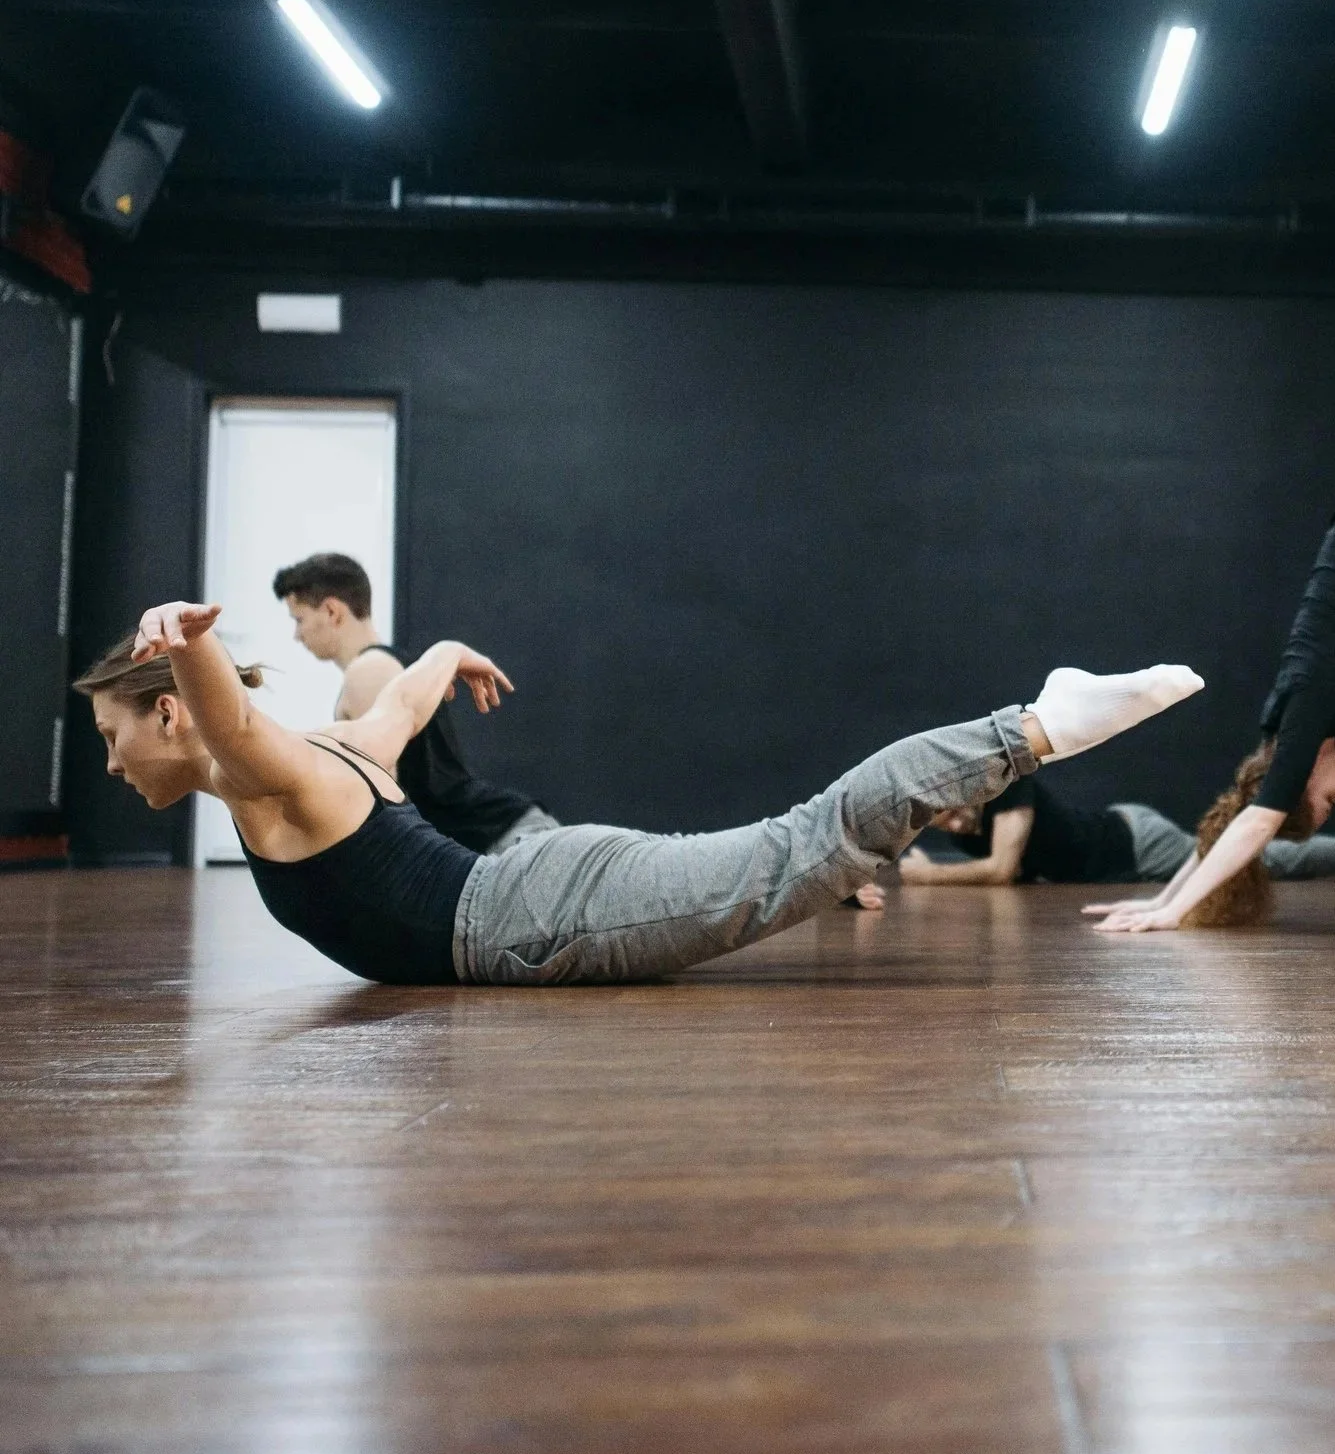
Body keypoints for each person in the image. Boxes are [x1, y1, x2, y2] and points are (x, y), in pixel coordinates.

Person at [75, 605, 1202, 987]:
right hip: (533, 887)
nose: (114, 764)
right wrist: (449, 649)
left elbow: (226, 720)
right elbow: (403, 706)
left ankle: (1036, 725)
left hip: (527, 921)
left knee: (799, 848)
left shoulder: (261, 773)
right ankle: (1033, 723)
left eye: (114, 734)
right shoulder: (332, 750)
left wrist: (185, 643)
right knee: (791, 855)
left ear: (164, 709)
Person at [1092, 513, 1335, 931]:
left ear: (1301, 784)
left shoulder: (1300, 728)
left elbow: (1253, 821)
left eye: (1329, 801)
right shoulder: (1286, 726)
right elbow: (1233, 822)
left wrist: (1172, 911)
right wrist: (1162, 900)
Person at [271, 552, 558, 855]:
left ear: (332, 611)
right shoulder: (392, 666)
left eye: (299, 619)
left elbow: (384, 800)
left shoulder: (368, 672)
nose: (296, 635)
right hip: (501, 837)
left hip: (506, 841)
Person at [845, 772, 1335, 911]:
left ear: (969, 793)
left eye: (953, 814)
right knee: (1240, 862)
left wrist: (932, 875)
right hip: (1119, 858)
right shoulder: (965, 822)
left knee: (1256, 861)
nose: (953, 827)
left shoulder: (1010, 790)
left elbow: (1001, 870)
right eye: (942, 826)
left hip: (1134, 840)